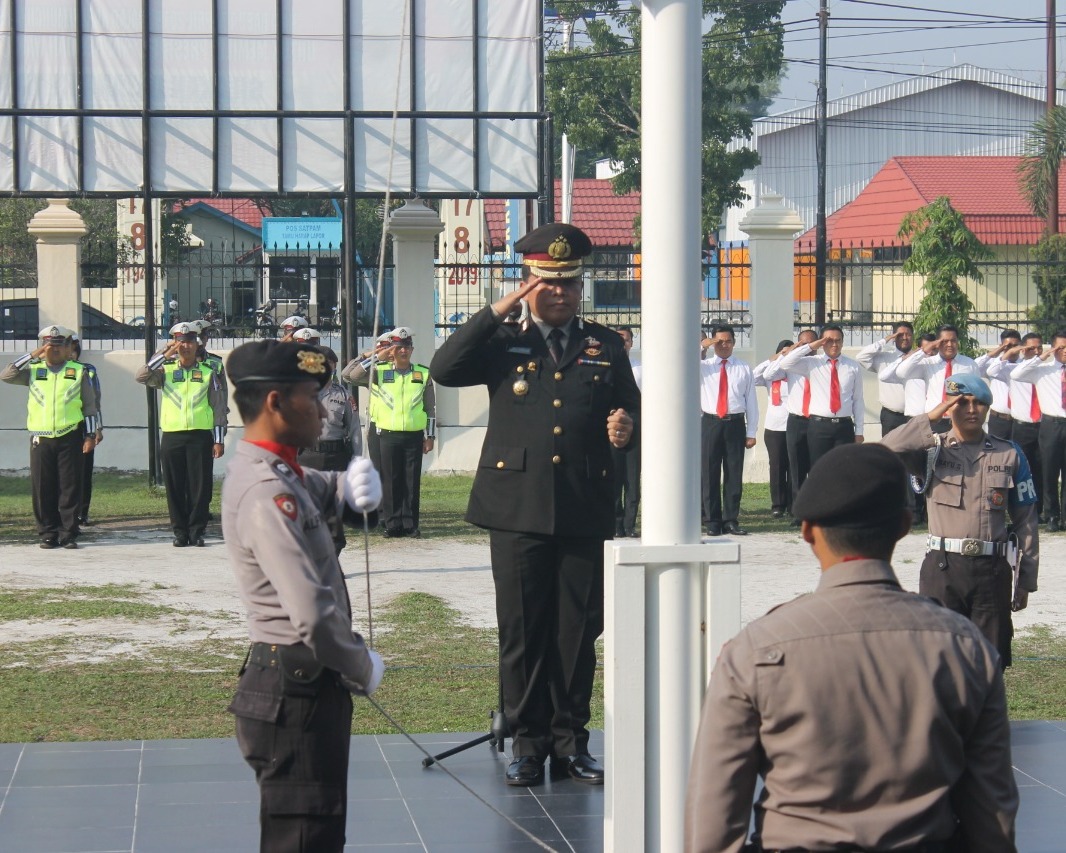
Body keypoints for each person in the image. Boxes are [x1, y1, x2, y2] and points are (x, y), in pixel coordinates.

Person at [684, 443, 1019, 853]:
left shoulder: (756, 649)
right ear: (903, 525)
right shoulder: (966, 648)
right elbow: (993, 816)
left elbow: (714, 820)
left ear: (807, 531)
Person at [430, 222, 640, 788]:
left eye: (570, 284)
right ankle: (526, 741)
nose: (561, 294)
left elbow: (634, 412)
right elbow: (444, 369)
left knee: (577, 631)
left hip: (583, 504)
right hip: (517, 507)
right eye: (548, 284)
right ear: (528, 283)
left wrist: (626, 426)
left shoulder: (603, 345)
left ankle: (572, 740)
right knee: (523, 630)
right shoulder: (503, 343)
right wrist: (498, 311)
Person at [222, 339, 384, 853]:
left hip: (300, 682)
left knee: (315, 832)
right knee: (304, 839)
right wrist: (360, 664)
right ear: (274, 402)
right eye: (309, 397)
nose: (321, 409)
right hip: (295, 688)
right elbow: (312, 614)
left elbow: (319, 483)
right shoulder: (268, 492)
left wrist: (349, 483)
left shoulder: (279, 470)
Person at [881, 374, 1038, 666]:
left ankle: (984, 713)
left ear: (988, 408)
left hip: (992, 570)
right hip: (943, 569)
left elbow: (1026, 520)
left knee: (990, 660)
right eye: (961, 402)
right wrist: (930, 416)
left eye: (979, 403)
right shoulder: (932, 451)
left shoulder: (1010, 454)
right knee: (938, 657)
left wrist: (1026, 580)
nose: (971, 409)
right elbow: (888, 448)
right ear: (949, 407)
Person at [1, 325, 99, 548]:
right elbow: (6, 375)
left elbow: (89, 406)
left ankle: (68, 533)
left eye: (59, 346)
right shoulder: (34, 370)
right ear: (43, 347)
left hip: (69, 435)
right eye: (49, 346)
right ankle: (47, 532)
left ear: (68, 348)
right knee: (43, 487)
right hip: (41, 438)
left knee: (69, 487)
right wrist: (34, 355)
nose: (54, 350)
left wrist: (90, 435)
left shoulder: (77, 371)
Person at [136, 322, 228, 547]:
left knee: (200, 485)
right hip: (172, 435)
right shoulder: (165, 371)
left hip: (200, 436)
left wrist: (218, 439)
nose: (185, 346)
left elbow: (218, 407)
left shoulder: (208, 372)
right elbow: (141, 376)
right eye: (180, 342)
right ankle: (180, 532)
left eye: (189, 341)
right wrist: (164, 353)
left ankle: (197, 531)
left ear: (197, 344)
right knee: (174, 486)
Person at [343, 327, 435, 537]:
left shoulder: (423, 373)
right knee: (390, 479)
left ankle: (410, 523)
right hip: (387, 434)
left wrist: (430, 436)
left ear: (412, 349)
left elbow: (430, 408)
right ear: (392, 350)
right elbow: (351, 376)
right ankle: (393, 524)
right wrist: (376, 356)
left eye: (407, 347)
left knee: (411, 481)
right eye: (399, 347)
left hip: (413, 434)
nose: (403, 351)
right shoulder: (379, 372)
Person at [298, 346, 363, 553]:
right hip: (307, 456)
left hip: (336, 457)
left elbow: (354, 430)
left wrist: (357, 461)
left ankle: (332, 556)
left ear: (334, 367)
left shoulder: (344, 395)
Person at [771, 324, 864, 466]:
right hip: (819, 427)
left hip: (844, 427)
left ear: (842, 342)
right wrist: (811, 346)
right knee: (819, 470)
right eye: (829, 340)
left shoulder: (852, 366)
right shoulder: (812, 363)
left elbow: (857, 400)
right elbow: (785, 363)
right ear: (822, 342)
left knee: (843, 470)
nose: (834, 344)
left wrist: (859, 431)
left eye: (838, 340)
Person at [1003, 332, 1066, 532]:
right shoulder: (1042, 369)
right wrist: (1041, 356)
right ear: (1053, 348)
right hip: (1051, 425)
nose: (1064, 352)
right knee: (1049, 471)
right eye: (1061, 347)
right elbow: (1015, 374)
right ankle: (1052, 515)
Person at [698, 325, 758, 536]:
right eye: (719, 341)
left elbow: (751, 401)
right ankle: (712, 520)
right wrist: (701, 348)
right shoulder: (704, 366)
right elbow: (683, 365)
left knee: (734, 472)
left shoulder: (743, 368)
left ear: (734, 342)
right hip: (711, 423)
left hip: (735, 423)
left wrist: (751, 432)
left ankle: (730, 519)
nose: (724, 345)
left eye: (728, 341)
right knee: (709, 473)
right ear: (713, 342)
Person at [987, 332, 1044, 523]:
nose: (1035, 352)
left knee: (1035, 466)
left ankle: (1038, 508)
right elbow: (991, 371)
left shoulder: (1042, 368)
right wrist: (1006, 351)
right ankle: (1002, 504)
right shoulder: (1012, 369)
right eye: (1031, 348)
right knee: (1003, 464)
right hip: (1002, 420)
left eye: (1039, 348)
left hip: (1029, 423)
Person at [764, 328, 816, 517]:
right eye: (803, 344)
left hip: (815, 421)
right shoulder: (790, 366)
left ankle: (811, 505)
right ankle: (788, 507)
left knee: (813, 466)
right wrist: (789, 352)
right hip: (791, 423)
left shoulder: (820, 364)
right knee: (792, 468)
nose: (808, 348)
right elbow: (768, 375)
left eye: (811, 344)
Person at [894, 324, 979, 425]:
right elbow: (901, 372)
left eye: (953, 341)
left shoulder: (969, 364)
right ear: (937, 343)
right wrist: (923, 351)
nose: (950, 345)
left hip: (960, 420)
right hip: (934, 420)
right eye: (945, 341)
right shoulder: (928, 363)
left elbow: (977, 393)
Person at [753, 339, 793, 518]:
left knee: (794, 466)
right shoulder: (770, 375)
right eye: (783, 353)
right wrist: (774, 359)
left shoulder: (796, 371)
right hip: (774, 427)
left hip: (794, 425)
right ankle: (778, 504)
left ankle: (793, 503)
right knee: (777, 466)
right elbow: (753, 377)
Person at [856, 320, 914, 437]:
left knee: (913, 454)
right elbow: (861, 357)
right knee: (889, 452)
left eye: (908, 334)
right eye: (900, 335)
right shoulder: (884, 358)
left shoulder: (918, 358)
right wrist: (884, 340)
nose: (904, 338)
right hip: (891, 417)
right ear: (894, 337)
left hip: (914, 416)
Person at [70, 335, 103, 526]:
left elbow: (95, 401)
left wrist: (98, 427)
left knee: (84, 472)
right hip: (63, 427)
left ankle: (82, 512)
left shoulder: (87, 370)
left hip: (85, 426)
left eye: (73, 348)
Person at [612, 325, 642, 536]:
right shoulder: (606, 365)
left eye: (626, 339)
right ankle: (616, 523)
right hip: (612, 425)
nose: (623, 343)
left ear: (631, 343)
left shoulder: (642, 368)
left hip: (636, 424)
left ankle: (630, 525)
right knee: (613, 476)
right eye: (618, 339)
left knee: (632, 476)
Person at [976, 329, 1022, 440]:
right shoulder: (994, 364)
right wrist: (997, 352)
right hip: (999, 419)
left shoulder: (1024, 365)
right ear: (1001, 345)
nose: (1012, 350)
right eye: (1008, 346)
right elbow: (974, 367)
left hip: (1020, 420)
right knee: (997, 452)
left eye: (1015, 346)